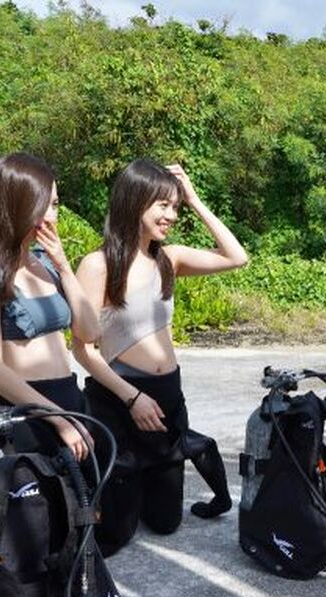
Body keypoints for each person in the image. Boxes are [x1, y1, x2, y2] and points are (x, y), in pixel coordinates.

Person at [72, 159, 248, 555]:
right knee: (117, 533)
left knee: (167, 523)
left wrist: (195, 200)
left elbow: (236, 257)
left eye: (175, 206)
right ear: (134, 201)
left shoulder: (169, 259)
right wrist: (131, 398)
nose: (172, 215)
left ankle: (147, 479)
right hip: (121, 400)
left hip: (167, 400)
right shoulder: (98, 265)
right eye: (162, 205)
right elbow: (82, 349)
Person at [0, 152, 100, 458]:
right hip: (25, 415)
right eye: (41, 205)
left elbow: (89, 332)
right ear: (14, 207)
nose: (50, 217)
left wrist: (64, 267)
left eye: (55, 205)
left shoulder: (46, 264)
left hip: (69, 402)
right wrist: (55, 418)